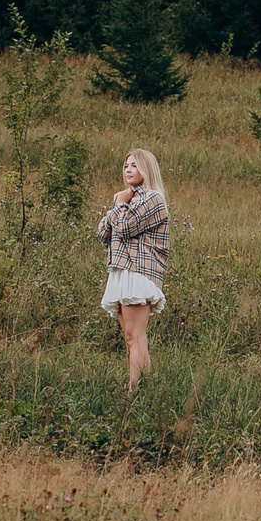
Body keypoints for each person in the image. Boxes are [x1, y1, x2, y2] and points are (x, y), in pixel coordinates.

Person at [97, 148, 170, 389]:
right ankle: (143, 387)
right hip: (121, 269)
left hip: (139, 270)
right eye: (126, 165)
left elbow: (126, 228)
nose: (128, 170)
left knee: (135, 335)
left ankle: (134, 390)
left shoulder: (153, 199)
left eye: (134, 165)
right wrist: (119, 205)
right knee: (130, 338)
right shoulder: (127, 199)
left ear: (146, 169)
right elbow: (103, 233)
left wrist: (119, 205)